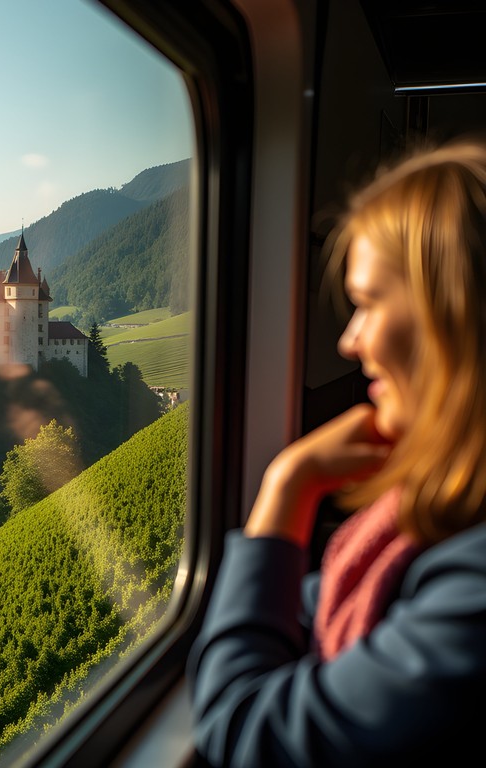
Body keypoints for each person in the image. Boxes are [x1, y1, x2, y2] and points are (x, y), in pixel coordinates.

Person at [187, 138, 486, 767]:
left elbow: (247, 734)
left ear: (456, 319)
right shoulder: (440, 520)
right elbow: (312, 603)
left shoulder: (472, 584)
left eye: (370, 303)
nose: (350, 343)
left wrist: (287, 486)